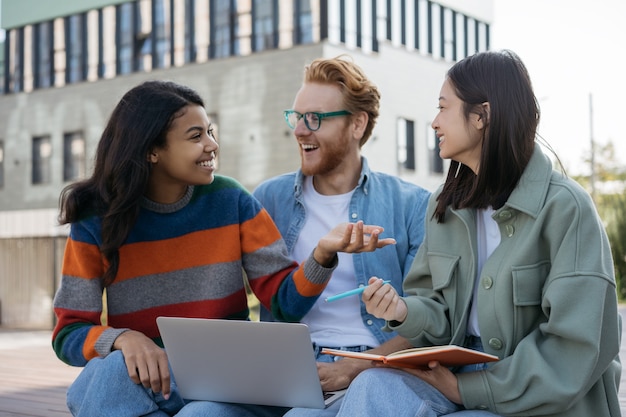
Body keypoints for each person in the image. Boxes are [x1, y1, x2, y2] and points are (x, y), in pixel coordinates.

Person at [51, 80, 395, 417]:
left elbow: (283, 302)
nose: (212, 145)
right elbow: (69, 333)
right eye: (195, 136)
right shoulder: (96, 221)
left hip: (228, 379)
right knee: (108, 373)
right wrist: (123, 339)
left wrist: (322, 254)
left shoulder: (231, 200)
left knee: (121, 393)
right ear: (151, 151)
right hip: (149, 381)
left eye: (211, 131)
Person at [337, 49, 622, 416]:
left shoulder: (566, 208)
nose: (434, 122)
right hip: (454, 376)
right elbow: (437, 316)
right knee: (373, 387)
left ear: (482, 116)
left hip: (537, 397)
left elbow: (573, 348)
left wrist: (466, 389)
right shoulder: (445, 204)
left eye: (443, 107)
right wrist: (404, 310)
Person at [252, 55, 431, 416]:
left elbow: (428, 322)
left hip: (374, 365)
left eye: (315, 119)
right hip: (283, 367)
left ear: (357, 124)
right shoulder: (268, 200)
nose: (300, 130)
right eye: (297, 117)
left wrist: (356, 367)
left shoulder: (412, 205)